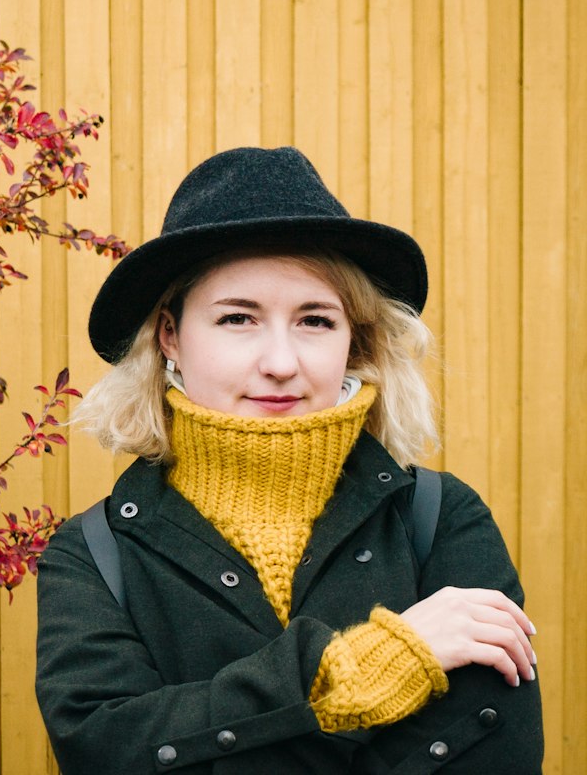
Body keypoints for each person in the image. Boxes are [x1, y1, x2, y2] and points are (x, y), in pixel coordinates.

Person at [35, 147, 543, 773]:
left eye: (315, 321)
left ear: (353, 339)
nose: (280, 361)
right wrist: (363, 671)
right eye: (238, 318)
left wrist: (215, 731)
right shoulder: (92, 553)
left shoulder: (440, 521)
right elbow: (106, 752)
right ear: (171, 334)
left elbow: (493, 753)